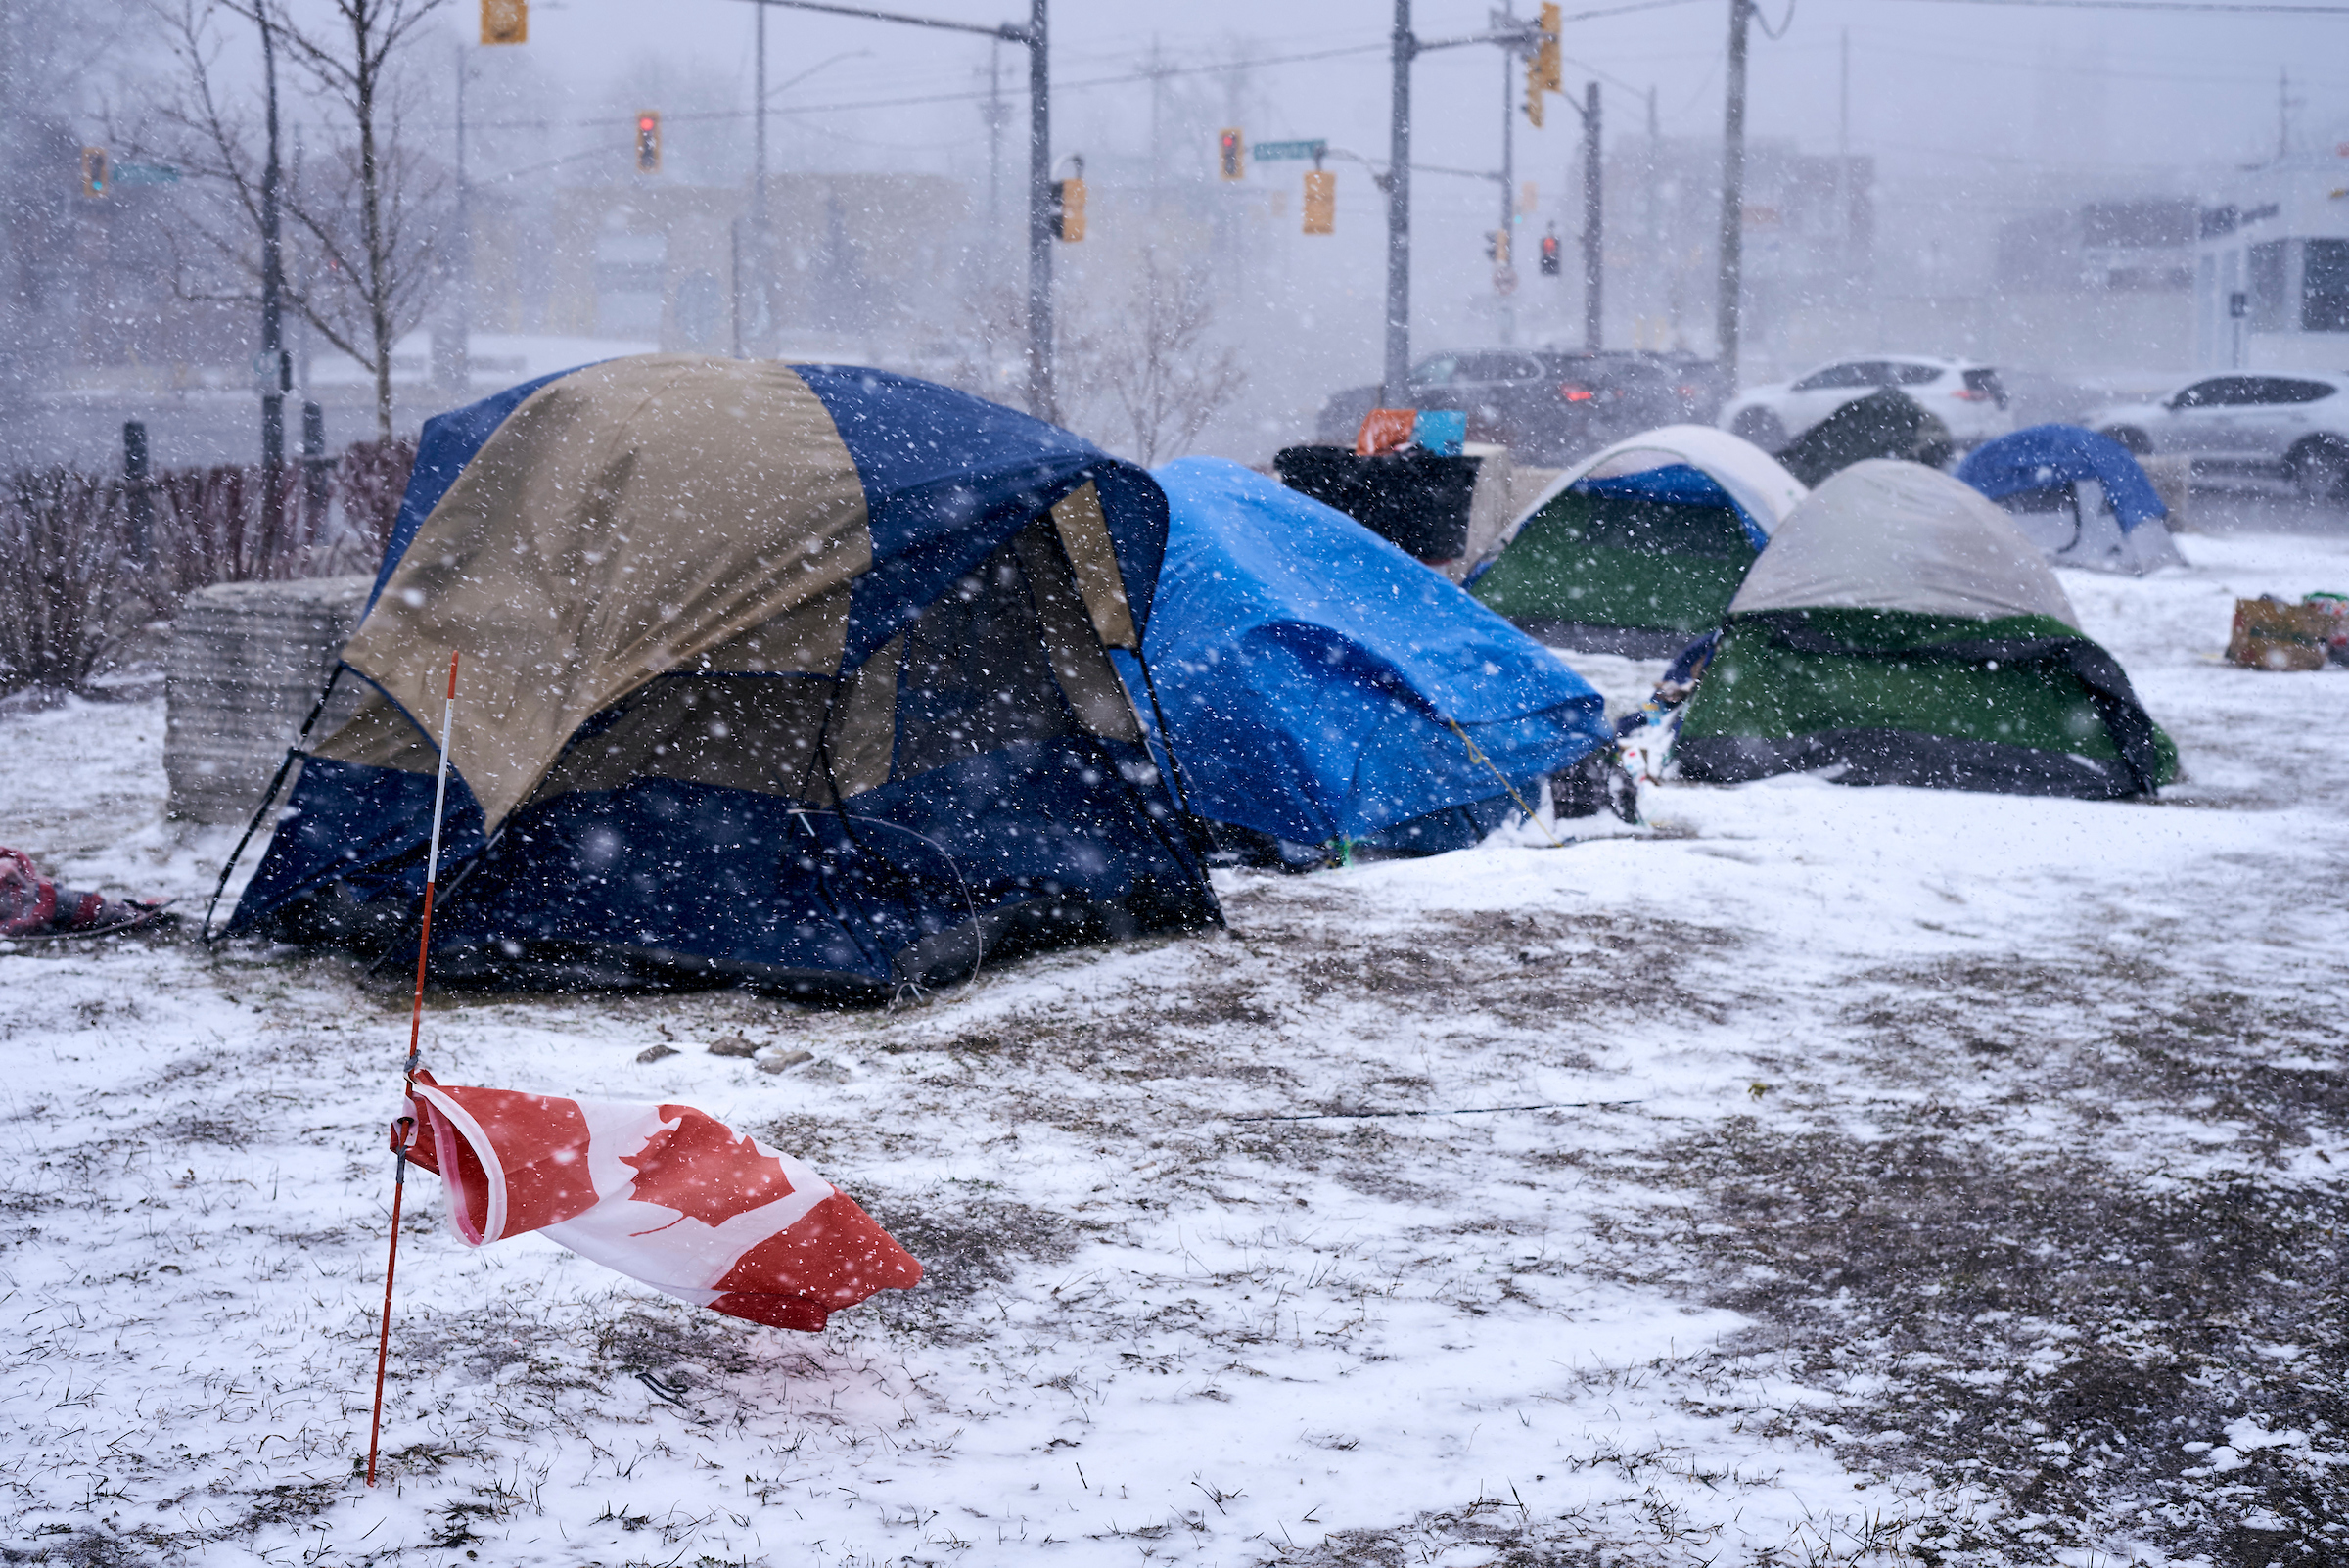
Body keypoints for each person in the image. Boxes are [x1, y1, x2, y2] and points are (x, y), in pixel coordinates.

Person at [0, 847, 165, 937]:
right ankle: (139, 913)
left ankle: (143, 913)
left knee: (98, 909)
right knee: (95, 912)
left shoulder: (33, 892)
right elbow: (31, 920)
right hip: (53, 910)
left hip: (55, 901)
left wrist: (28, 876)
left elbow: (13, 855)